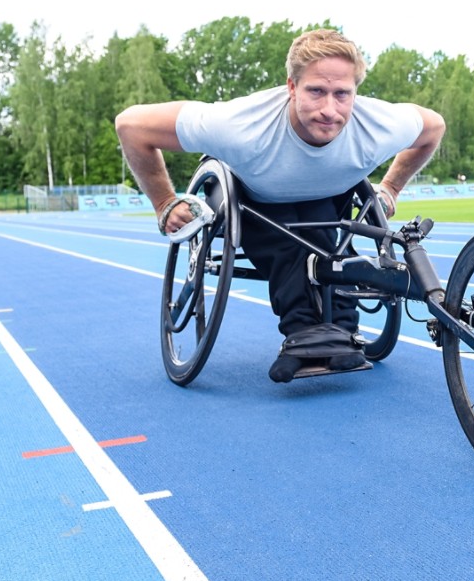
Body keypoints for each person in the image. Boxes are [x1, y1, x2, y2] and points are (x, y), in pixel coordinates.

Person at [115, 28, 445, 382]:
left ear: (355, 92)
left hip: (328, 195)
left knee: (328, 244)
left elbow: (434, 127)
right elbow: (131, 125)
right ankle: (303, 332)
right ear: (291, 87)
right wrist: (164, 202)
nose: (329, 109)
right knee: (287, 243)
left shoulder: (379, 124)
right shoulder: (240, 125)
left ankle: (341, 330)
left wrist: (391, 188)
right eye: (316, 91)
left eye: (342, 94)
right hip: (256, 196)